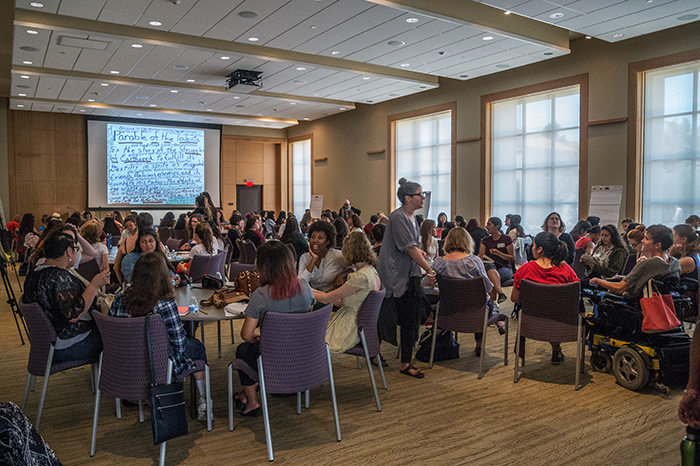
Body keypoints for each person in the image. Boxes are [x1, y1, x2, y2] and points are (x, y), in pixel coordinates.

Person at [109, 252, 210, 420]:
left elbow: (112, 333)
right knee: (196, 346)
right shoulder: (164, 302)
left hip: (126, 363)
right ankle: (204, 401)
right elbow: (179, 344)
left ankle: (141, 395)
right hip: (159, 365)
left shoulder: (120, 297)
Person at [232, 241, 316, 417]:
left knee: (244, 350)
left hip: (273, 356)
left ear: (263, 266)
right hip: (304, 354)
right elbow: (308, 318)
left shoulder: (261, 295)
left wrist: (264, 336)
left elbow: (246, 335)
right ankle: (245, 395)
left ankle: (252, 402)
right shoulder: (305, 287)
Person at [377, 178, 435, 379]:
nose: (423, 198)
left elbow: (414, 248)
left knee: (410, 318)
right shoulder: (398, 217)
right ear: (408, 198)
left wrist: (424, 260)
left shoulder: (412, 218)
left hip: (409, 275)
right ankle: (375, 352)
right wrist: (429, 269)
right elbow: (409, 248)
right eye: (420, 194)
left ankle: (405, 362)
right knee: (389, 316)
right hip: (396, 276)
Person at [23, 233, 110, 363]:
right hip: (67, 344)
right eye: (76, 249)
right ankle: (113, 380)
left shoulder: (35, 272)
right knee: (115, 338)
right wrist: (94, 285)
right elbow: (73, 314)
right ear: (69, 251)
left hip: (46, 343)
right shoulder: (58, 278)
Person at [432, 227, 504, 355]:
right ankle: (480, 343)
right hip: (475, 311)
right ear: (467, 241)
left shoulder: (438, 263)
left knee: (480, 303)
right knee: (483, 303)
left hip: (449, 310)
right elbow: (486, 288)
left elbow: (430, 286)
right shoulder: (474, 261)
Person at [511, 231, 579, 364]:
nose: (532, 248)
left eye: (533, 245)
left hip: (532, 321)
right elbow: (575, 298)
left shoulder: (524, 270)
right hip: (562, 321)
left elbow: (515, 298)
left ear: (540, 249)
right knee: (553, 313)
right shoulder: (566, 270)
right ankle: (556, 348)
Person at [314, 231, 381, 354]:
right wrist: (316, 292)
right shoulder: (372, 272)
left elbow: (326, 299)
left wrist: (306, 291)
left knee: (310, 339)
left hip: (349, 328)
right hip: (359, 325)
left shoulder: (360, 278)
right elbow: (344, 302)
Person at [590, 224, 681, 300]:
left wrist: (598, 281)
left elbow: (620, 288)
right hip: (662, 303)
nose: (642, 241)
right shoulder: (675, 263)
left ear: (657, 245)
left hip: (637, 304)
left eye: (647, 238)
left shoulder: (647, 264)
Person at [298, 221, 346, 292]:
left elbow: (354, 269)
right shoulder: (304, 257)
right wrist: (313, 260)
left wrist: (341, 276)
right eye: (312, 237)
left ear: (328, 242)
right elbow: (300, 283)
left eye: (320, 238)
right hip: (312, 297)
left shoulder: (337, 256)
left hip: (332, 297)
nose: (315, 240)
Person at [479, 216, 514, 304]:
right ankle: (500, 293)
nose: (486, 226)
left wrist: (498, 253)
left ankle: (493, 305)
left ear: (497, 226)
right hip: (491, 266)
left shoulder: (506, 239)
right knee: (489, 267)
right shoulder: (485, 240)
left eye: (489, 224)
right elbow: (481, 257)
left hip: (504, 267)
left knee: (490, 279)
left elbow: (512, 258)